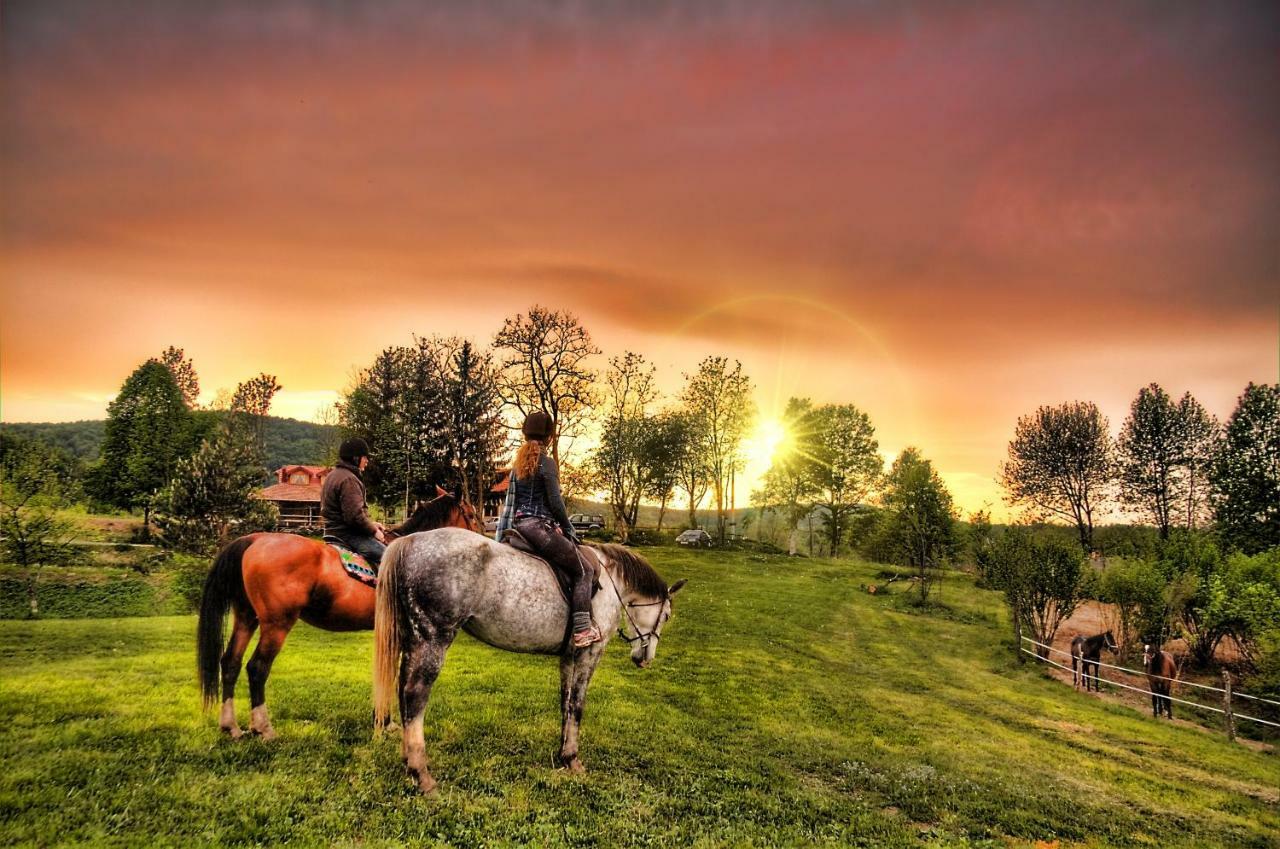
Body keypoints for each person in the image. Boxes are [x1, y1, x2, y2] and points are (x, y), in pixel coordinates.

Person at [495, 411, 601, 647]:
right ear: (549, 437)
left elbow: (509, 507)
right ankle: (583, 629)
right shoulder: (547, 463)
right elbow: (555, 502)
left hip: (520, 528)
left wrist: (499, 538)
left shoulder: (518, 466)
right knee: (584, 570)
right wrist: (568, 528)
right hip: (539, 528)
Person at [321, 437, 387, 567]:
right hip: (348, 536)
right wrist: (374, 531)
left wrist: (371, 523)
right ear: (356, 458)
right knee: (389, 557)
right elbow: (354, 517)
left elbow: (343, 512)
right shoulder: (349, 480)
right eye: (365, 457)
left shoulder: (332, 475)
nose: (367, 461)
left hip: (331, 532)